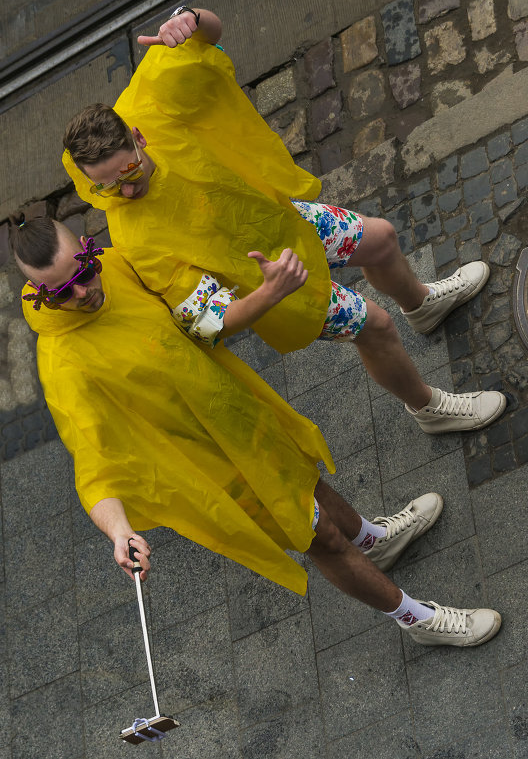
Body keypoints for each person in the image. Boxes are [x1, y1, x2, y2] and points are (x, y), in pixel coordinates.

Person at [13, 215, 501, 647]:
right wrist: (120, 532)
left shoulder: (117, 264)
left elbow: (196, 314)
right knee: (322, 539)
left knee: (308, 481)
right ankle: (415, 619)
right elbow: (93, 465)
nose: (81, 292)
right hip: (218, 471)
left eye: (82, 272)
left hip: (241, 415)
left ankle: (374, 540)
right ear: (40, 294)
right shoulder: (64, 366)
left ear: (88, 247)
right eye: (61, 292)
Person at [61, 7, 506, 435]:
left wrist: (190, 18)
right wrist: (273, 291)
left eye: (129, 173)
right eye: (104, 188)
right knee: (376, 327)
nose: (125, 193)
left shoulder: (150, 99)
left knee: (383, 239)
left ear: (138, 137)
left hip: (282, 219)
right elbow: (207, 321)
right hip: (269, 283)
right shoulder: (135, 238)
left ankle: (423, 307)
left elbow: (210, 34)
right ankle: (429, 408)